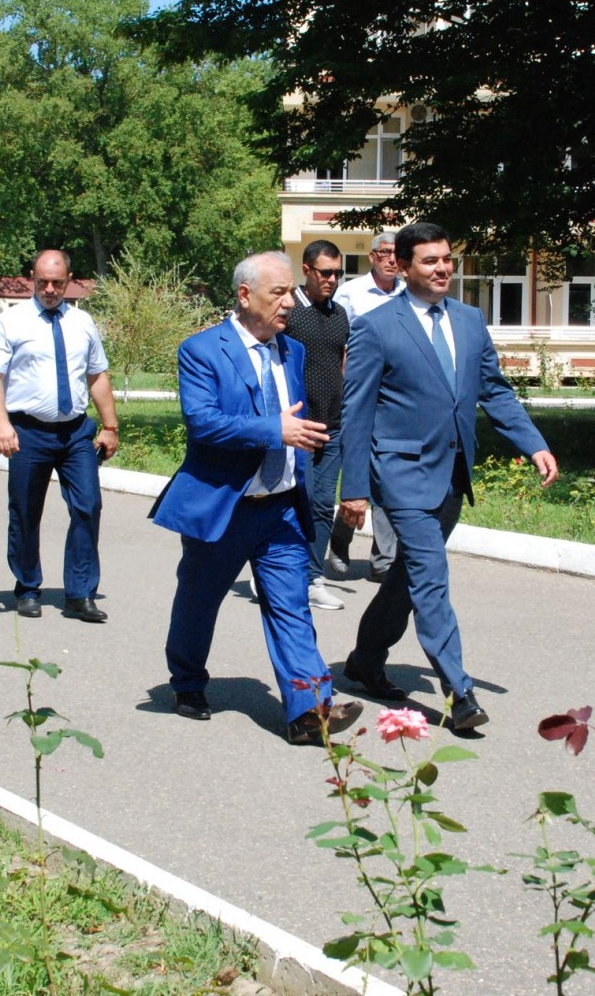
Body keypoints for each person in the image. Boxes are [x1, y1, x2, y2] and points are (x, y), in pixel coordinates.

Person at [339, 222, 558, 732]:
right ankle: (459, 692)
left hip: (453, 474)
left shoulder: (469, 320)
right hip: (401, 473)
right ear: (402, 265)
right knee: (431, 579)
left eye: (448, 259)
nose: (442, 269)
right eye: (430, 261)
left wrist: (534, 444)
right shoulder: (376, 326)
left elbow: (494, 391)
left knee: (406, 578)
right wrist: (352, 489)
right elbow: (358, 412)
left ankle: (365, 659)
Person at [151, 250, 363, 745]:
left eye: (291, 292)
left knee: (292, 607)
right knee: (199, 602)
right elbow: (203, 423)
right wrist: (275, 430)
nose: (290, 302)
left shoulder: (293, 350)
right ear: (245, 295)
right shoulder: (201, 349)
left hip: (281, 509)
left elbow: (297, 420)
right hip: (225, 506)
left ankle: (311, 710)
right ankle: (186, 683)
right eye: (279, 293)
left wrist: (301, 447)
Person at [0, 250, 117, 624]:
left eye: (58, 282)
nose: (51, 289)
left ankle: (79, 594)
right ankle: (27, 587)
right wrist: (0, 422)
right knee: (25, 511)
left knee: (88, 506)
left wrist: (109, 426)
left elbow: (97, 376)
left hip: (75, 433)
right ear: (32, 279)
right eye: (43, 282)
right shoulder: (12, 322)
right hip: (27, 432)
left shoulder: (83, 322)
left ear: (69, 279)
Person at [334, 230, 405, 581]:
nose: (392, 259)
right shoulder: (351, 293)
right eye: (386, 253)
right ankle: (339, 541)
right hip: (361, 393)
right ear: (373, 257)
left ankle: (383, 558)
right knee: (359, 467)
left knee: (387, 473)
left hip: (396, 398)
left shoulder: (410, 294)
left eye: (397, 254)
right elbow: (340, 345)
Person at [285, 240, 351, 611]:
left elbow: (340, 362)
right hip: (298, 425)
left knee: (324, 503)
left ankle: (312, 579)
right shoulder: (289, 309)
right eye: (325, 273)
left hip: (333, 423)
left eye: (338, 273)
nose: (332, 280)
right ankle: (280, 575)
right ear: (307, 270)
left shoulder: (339, 314)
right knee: (298, 500)